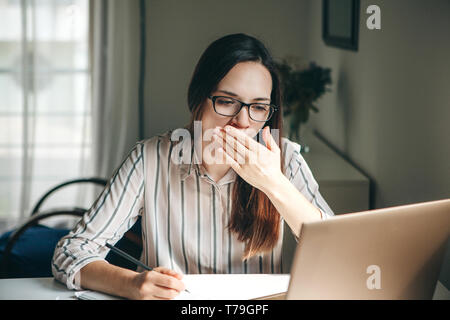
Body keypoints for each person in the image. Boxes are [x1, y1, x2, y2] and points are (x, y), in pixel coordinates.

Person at [52, 33, 334, 300]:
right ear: (197, 99)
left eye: (258, 107)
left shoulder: (286, 160)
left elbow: (336, 252)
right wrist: (133, 284)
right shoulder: (150, 159)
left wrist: (273, 182)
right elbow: (71, 252)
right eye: (227, 101)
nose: (243, 121)